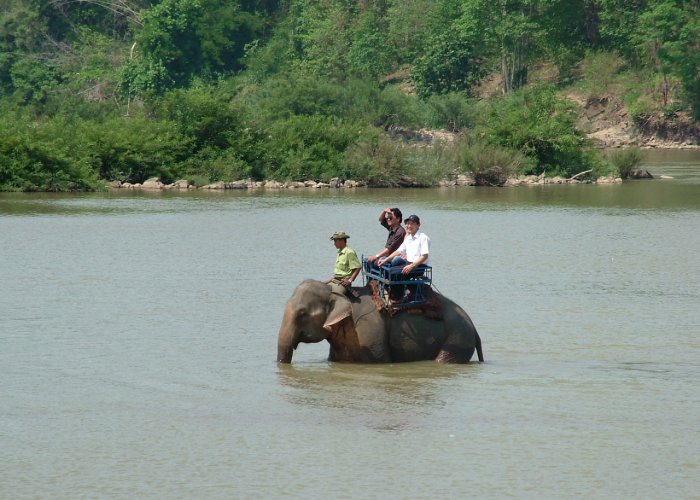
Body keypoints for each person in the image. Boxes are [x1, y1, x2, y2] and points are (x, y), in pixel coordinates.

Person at [377, 214, 430, 302]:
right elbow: (399, 251)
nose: (408, 226)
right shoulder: (408, 238)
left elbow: (424, 256)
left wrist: (411, 266)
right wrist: (385, 259)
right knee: (388, 270)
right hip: (408, 263)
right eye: (407, 224)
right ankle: (393, 292)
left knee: (394, 273)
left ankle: (398, 298)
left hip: (418, 266)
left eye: (411, 224)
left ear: (418, 225)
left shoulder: (423, 238)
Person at [324, 231, 362, 296]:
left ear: (341, 240)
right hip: (335, 280)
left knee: (333, 296)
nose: (334, 243)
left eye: (335, 241)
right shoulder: (339, 252)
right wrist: (325, 282)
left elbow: (358, 267)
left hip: (343, 283)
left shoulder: (349, 252)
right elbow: (337, 274)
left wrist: (349, 280)